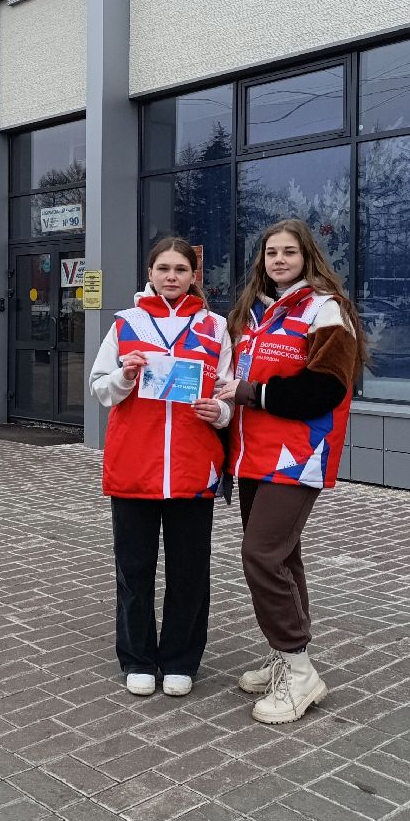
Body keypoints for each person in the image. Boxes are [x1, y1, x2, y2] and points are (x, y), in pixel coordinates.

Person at [214, 218, 369, 725]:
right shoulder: (255, 316)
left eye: (289, 252)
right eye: (270, 253)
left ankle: (300, 673)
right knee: (283, 558)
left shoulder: (325, 310)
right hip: (252, 455)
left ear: (308, 257)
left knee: (259, 555)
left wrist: (249, 394)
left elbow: (325, 388)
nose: (278, 260)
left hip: (296, 455)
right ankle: (287, 655)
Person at [89, 237, 232, 698]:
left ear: (194, 275)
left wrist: (223, 415)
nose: (171, 276)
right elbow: (99, 388)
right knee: (134, 570)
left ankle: (180, 658)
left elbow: (227, 396)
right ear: (150, 272)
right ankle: (137, 657)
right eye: (163, 268)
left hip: (193, 467)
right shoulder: (126, 324)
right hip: (135, 466)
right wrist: (124, 377)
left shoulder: (215, 326)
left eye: (180, 269)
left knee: (190, 572)